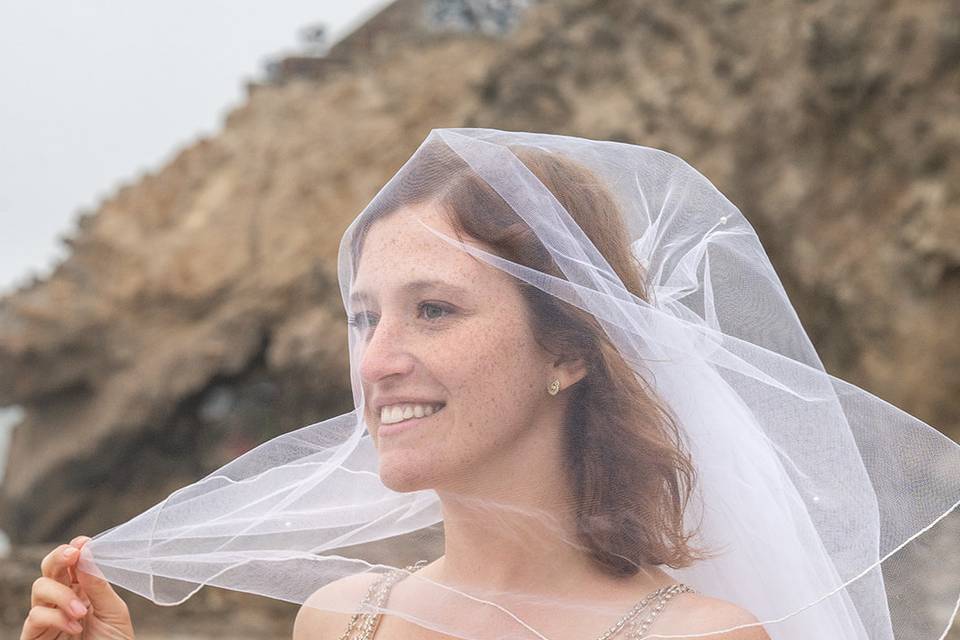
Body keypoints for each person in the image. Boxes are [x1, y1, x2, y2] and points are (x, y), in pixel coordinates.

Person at [21, 130, 960, 640]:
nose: (377, 360)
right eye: (363, 317)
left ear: (569, 351)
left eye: (433, 309)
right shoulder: (341, 622)